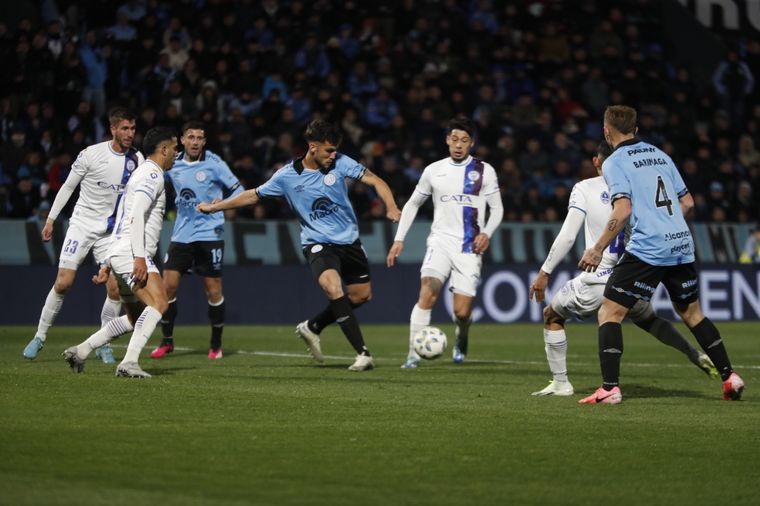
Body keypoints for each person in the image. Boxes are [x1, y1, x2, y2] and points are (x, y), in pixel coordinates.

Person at [198, 119, 401, 371]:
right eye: (329, 150)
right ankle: (363, 353)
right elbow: (252, 195)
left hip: (350, 242)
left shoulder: (341, 162)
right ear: (312, 147)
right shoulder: (287, 176)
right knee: (332, 286)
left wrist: (391, 206)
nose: (333, 155)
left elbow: (376, 181)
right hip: (317, 243)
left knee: (361, 296)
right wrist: (215, 206)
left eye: (335, 150)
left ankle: (313, 326)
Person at [578, 105, 744, 404]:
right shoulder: (660, 155)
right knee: (693, 313)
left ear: (606, 131)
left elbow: (623, 209)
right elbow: (689, 203)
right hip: (681, 244)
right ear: (636, 129)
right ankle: (730, 376)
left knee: (610, 312)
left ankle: (609, 388)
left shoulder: (614, 161)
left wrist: (598, 248)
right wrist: (669, 225)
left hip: (648, 247)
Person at [528, 141, 716, 396]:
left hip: (596, 280)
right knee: (648, 319)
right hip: (630, 275)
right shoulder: (639, 190)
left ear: (596, 162)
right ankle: (692, 353)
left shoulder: (584, 188)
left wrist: (544, 272)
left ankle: (562, 383)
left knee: (552, 315)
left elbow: (568, 236)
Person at [23, 107, 144, 364]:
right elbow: (69, 186)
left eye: (133, 128)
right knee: (63, 283)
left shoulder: (137, 159)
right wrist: (52, 219)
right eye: (125, 128)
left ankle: (104, 343)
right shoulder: (91, 154)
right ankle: (40, 336)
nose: (130, 133)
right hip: (82, 225)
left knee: (114, 289)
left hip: (111, 232)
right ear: (113, 129)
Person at [386, 117, 503, 368]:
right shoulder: (433, 170)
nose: (458, 145)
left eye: (463, 140)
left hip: (469, 247)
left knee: (461, 312)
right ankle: (412, 355)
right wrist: (399, 239)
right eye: (454, 139)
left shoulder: (485, 170)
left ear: (471, 143)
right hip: (439, 242)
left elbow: (498, 209)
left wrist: (487, 233)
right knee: (426, 294)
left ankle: (462, 335)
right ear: (447, 140)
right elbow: (413, 203)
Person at [64, 126, 176, 378]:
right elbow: (135, 214)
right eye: (175, 148)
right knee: (160, 302)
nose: (176, 154)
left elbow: (123, 215)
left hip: (119, 251)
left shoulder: (142, 172)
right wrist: (138, 257)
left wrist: (107, 261)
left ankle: (81, 350)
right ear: (164, 149)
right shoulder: (151, 174)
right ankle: (129, 362)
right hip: (132, 252)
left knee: (135, 316)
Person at [149, 121, 244, 360]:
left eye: (199, 138)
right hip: (181, 234)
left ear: (204, 141)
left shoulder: (214, 164)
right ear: (182, 140)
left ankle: (215, 344)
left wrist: (219, 207)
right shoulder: (173, 164)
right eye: (190, 137)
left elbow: (239, 190)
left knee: (213, 290)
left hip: (211, 234)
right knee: (167, 286)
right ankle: (167, 341)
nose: (194, 142)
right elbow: (155, 179)